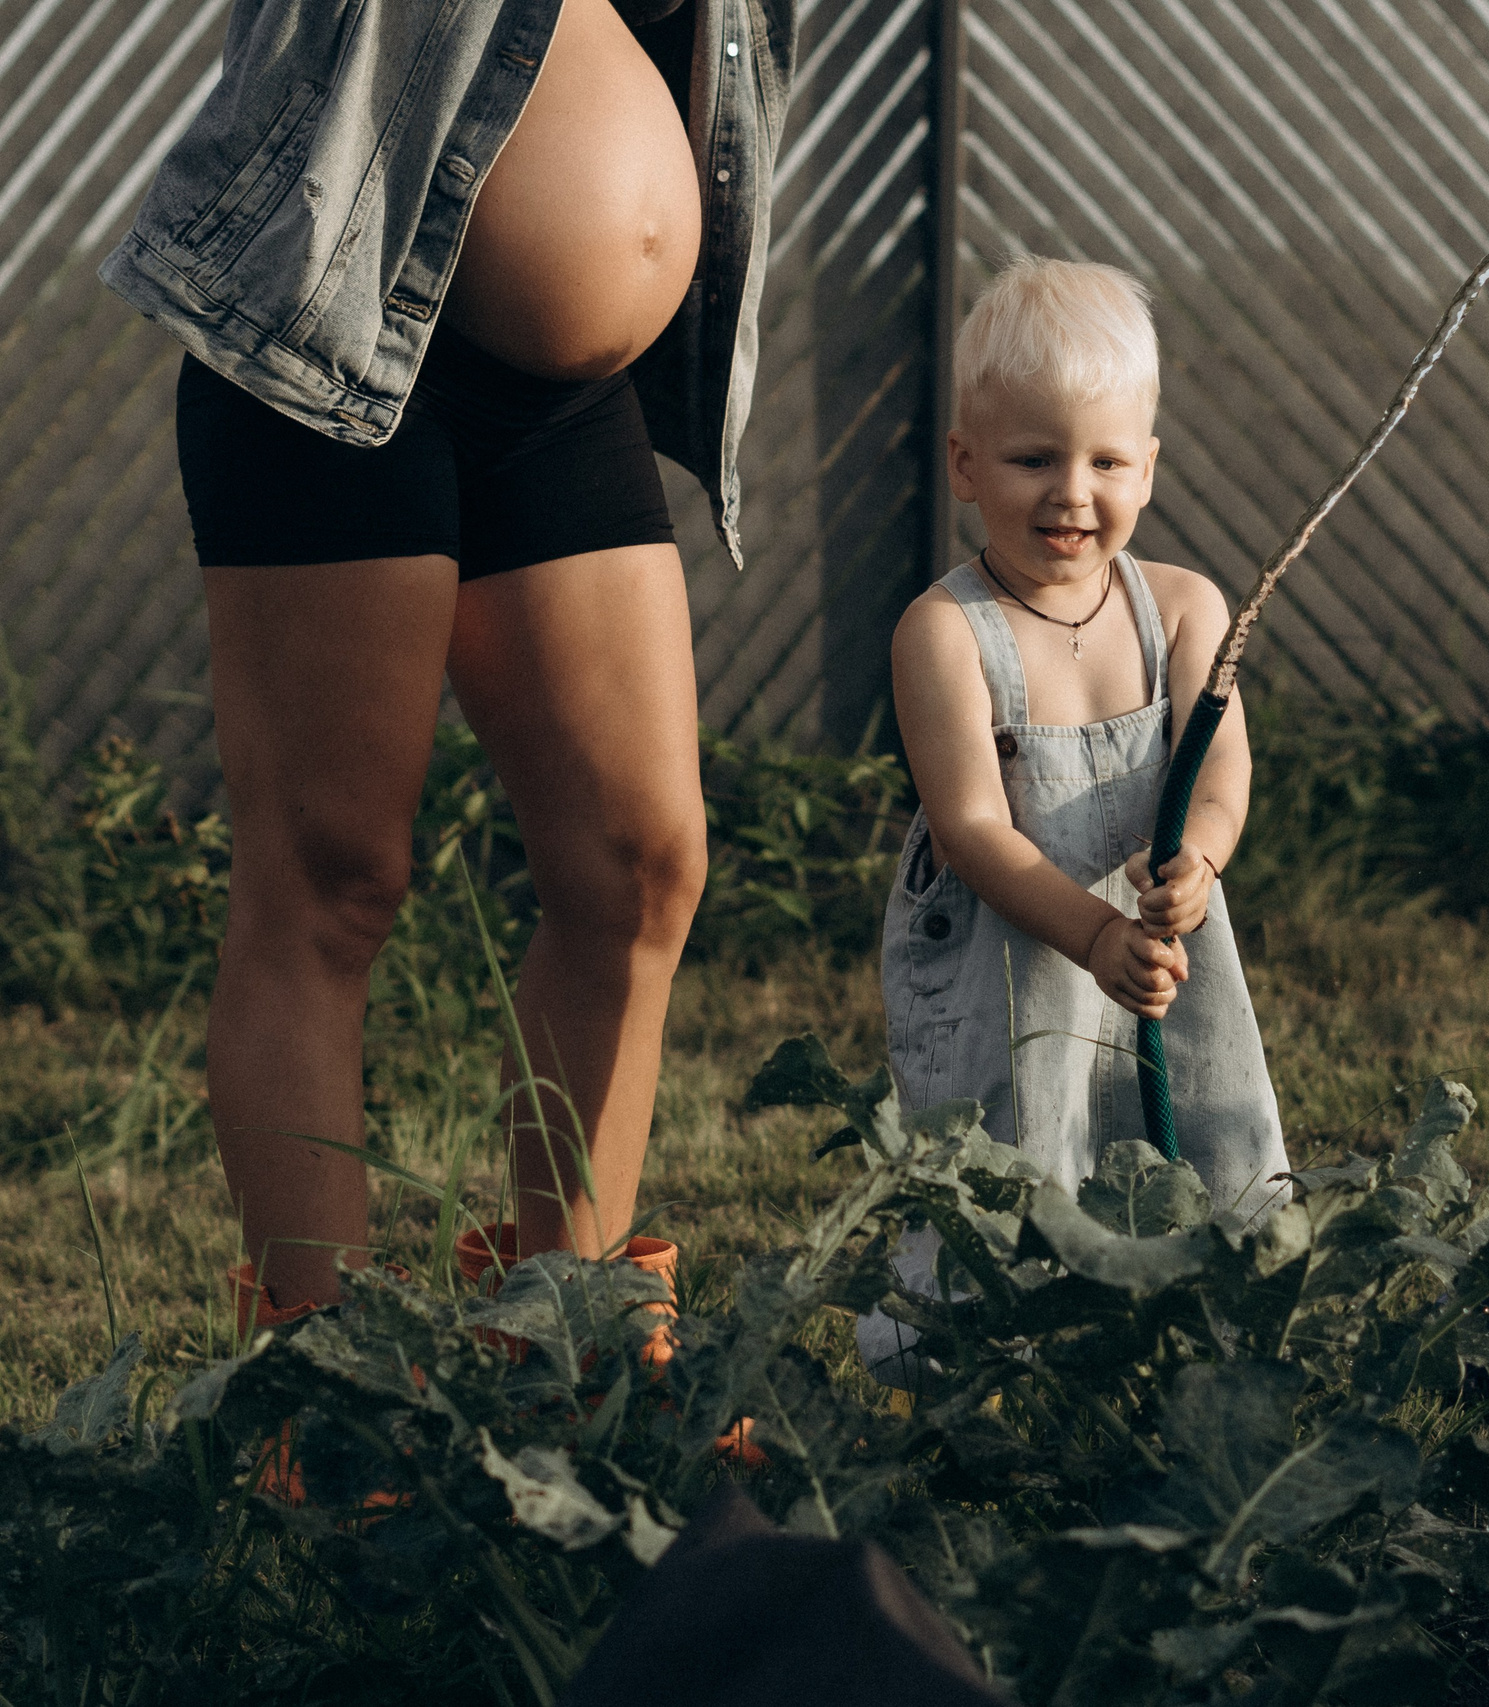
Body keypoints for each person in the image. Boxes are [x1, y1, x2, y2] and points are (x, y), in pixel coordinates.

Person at [98, 0, 794, 1327]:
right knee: (332, 881)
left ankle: (572, 1342)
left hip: (563, 394)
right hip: (340, 320)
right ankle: (327, 1391)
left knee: (638, 862)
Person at [866, 258, 1291, 1369]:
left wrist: (1197, 860)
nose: (1072, 491)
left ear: (1147, 469)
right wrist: (1095, 933)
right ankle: (984, 1354)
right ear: (964, 462)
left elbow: (1219, 778)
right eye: (1032, 458)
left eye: (1106, 460)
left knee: (1190, 1117)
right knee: (1012, 1148)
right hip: (1012, 957)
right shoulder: (945, 634)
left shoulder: (1188, 610)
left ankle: (1199, 1325)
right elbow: (970, 827)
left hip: (1158, 949)